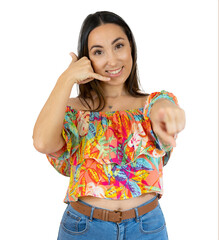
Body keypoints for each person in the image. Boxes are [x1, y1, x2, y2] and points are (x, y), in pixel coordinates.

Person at [33, 11, 185, 240]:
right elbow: (43, 142)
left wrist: (167, 113)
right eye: (98, 52)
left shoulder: (151, 104)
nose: (112, 60)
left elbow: (162, 106)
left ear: (131, 48)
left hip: (146, 228)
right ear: (87, 59)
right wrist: (66, 78)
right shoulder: (72, 111)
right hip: (84, 228)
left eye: (118, 46)